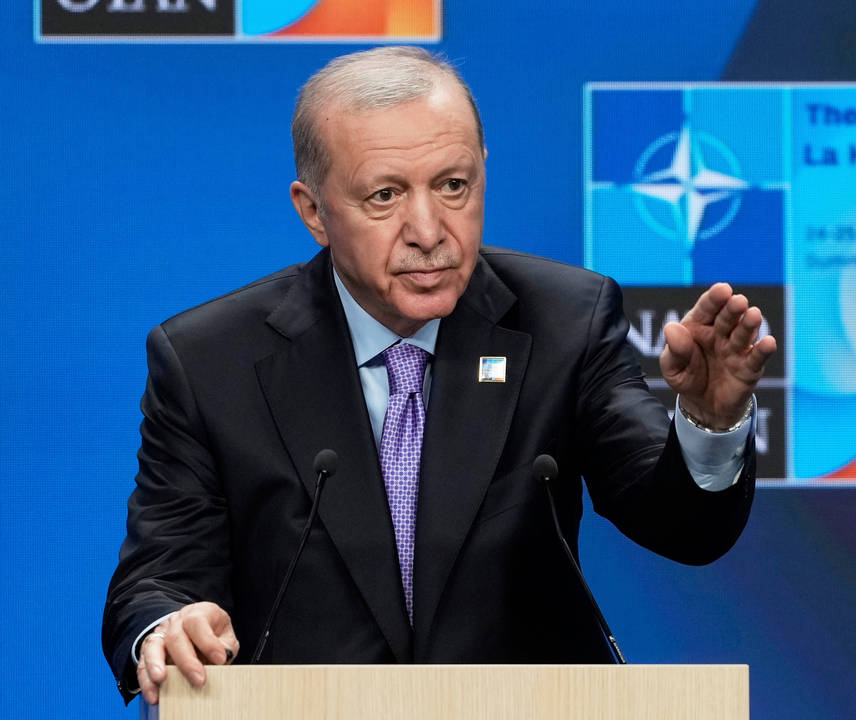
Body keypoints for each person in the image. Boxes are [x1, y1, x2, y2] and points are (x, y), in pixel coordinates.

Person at [102, 46, 776, 705]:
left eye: (454, 186)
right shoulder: (210, 360)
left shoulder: (565, 321)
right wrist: (168, 627)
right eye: (384, 195)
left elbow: (684, 529)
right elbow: (157, 577)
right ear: (313, 211)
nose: (428, 231)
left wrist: (708, 423)